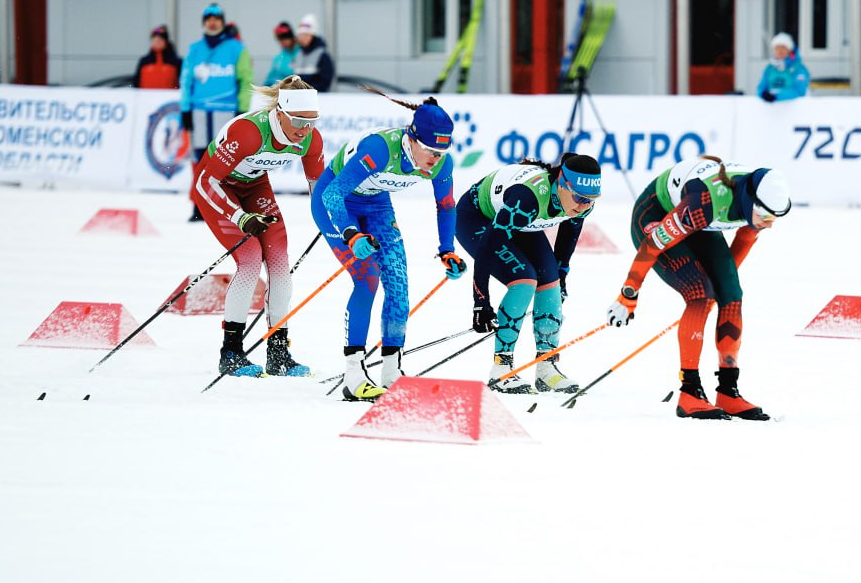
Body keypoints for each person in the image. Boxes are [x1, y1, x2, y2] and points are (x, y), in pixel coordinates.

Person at [605, 155, 792, 421]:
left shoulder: (759, 202)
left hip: (700, 224)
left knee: (732, 295)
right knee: (700, 295)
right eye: (764, 216)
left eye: (775, 218)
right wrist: (628, 294)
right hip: (656, 213)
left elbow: (745, 239)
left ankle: (728, 390)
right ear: (750, 201)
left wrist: (725, 288)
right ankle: (689, 391)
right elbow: (653, 244)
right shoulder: (705, 203)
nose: (768, 223)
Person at [311, 93, 464, 402]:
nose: (435, 159)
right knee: (367, 279)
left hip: (378, 206)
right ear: (412, 138)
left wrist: (447, 249)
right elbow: (332, 195)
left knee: (398, 285)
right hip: (336, 203)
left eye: (442, 151)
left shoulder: (440, 164)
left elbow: (446, 206)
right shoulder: (379, 150)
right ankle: (354, 375)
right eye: (431, 151)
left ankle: (392, 372)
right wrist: (351, 235)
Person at [192, 75, 326, 379]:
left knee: (280, 262)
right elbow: (204, 181)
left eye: (312, 123)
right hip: (219, 190)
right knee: (251, 259)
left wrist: (336, 221)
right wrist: (240, 217)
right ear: (280, 113)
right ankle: (231, 353)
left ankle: (278, 354)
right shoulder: (249, 131)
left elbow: (319, 190)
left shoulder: (310, 139)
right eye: (298, 123)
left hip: (255, 187)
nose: (304, 132)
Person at [456, 154, 602, 394]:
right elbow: (487, 250)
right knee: (524, 280)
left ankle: (547, 367)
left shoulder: (580, 204)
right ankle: (501, 370)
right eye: (578, 197)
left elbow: (566, 244)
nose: (584, 205)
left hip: (521, 221)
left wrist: (561, 280)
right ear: (561, 184)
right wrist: (480, 302)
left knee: (550, 282)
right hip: (478, 219)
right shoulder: (529, 198)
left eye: (591, 200)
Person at [180, 2, 253, 221]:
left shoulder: (236, 48)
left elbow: (245, 80)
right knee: (199, 159)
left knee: (225, 160)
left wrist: (242, 110)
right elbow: (186, 81)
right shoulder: (195, 49)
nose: (212, 23)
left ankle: (228, 206)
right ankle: (198, 205)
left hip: (225, 112)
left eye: (216, 19)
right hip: (199, 111)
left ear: (222, 22)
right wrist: (185, 109)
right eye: (208, 19)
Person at [756, 32, 809, 102]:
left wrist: (776, 96)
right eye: (777, 48)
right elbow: (761, 88)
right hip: (771, 110)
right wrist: (763, 94)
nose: (780, 51)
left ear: (789, 50)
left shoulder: (798, 68)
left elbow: (799, 91)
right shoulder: (769, 69)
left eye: (783, 47)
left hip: (794, 110)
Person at [292, 13, 335, 92]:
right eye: (301, 35)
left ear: (313, 36)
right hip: (299, 98)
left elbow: (324, 83)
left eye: (305, 35)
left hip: (316, 98)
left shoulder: (322, 55)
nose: (302, 38)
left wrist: (306, 90)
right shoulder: (299, 54)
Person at [132, 25, 181, 89]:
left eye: (159, 40)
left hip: (170, 97)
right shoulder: (144, 61)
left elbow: (183, 83)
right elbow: (136, 83)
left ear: (165, 42)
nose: (157, 43)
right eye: (154, 40)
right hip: (146, 98)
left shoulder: (176, 62)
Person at [264, 22, 298, 86]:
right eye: (279, 39)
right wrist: (266, 87)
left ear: (291, 37)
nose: (282, 42)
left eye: (284, 38)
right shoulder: (279, 58)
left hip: (294, 92)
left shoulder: (301, 54)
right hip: (277, 92)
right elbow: (271, 77)